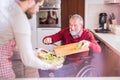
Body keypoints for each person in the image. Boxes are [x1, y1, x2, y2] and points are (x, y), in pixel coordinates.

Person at [0, 0, 61, 78]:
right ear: (30, 1)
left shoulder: (5, 4)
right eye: (38, 6)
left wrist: (33, 52)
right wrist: (50, 66)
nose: (38, 10)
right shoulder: (19, 19)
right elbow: (28, 60)